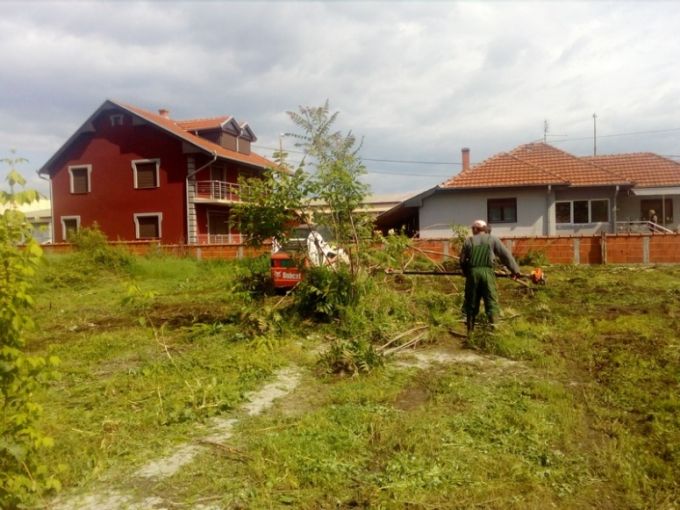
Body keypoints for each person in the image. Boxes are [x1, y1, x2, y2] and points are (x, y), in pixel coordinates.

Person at [459, 219, 521, 334]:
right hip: (488, 274)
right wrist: (515, 271)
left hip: (473, 275)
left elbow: (462, 261)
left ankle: (470, 333)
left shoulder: (468, 241)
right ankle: (494, 329)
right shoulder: (492, 239)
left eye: (473, 229)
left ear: (476, 229)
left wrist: (467, 272)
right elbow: (505, 256)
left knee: (471, 302)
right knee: (491, 300)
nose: (472, 231)